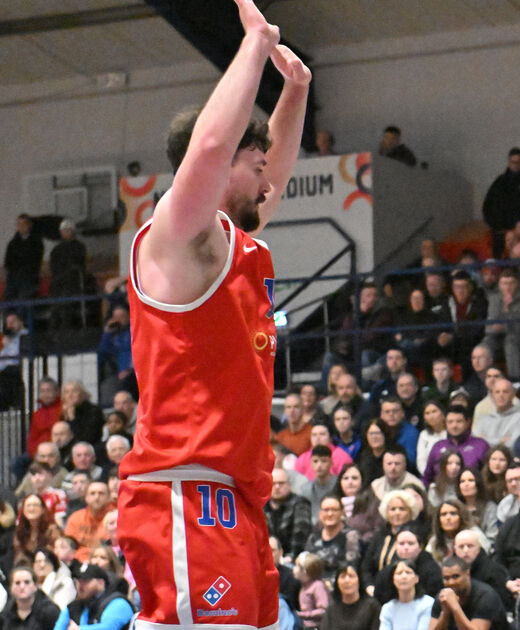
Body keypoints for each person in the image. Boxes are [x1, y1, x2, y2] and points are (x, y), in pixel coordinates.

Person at [114, 2, 309, 627]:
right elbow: (212, 143)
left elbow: (271, 165)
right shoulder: (176, 234)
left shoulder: (234, 244)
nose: (268, 182)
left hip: (236, 498)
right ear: (223, 166)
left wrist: (297, 90)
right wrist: (253, 47)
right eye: (256, 167)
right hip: (183, 490)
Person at [431, 555, 510, 630]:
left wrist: (455, 607)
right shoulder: (443, 597)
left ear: (467, 573)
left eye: (455, 576)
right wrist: (445, 614)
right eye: (446, 578)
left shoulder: (486, 596)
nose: (451, 582)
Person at [319, 564, 380, 630]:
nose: (347, 580)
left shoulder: (372, 607)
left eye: (351, 576)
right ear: (337, 583)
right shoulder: (331, 608)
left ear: (359, 581)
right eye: (343, 577)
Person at [380, 558, 435, 630]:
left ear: (416, 578)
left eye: (408, 572)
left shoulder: (427, 603)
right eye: (399, 573)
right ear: (393, 579)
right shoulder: (388, 608)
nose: (404, 576)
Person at [0, 566, 61, 630]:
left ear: (35, 586)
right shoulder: (5, 614)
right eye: (17, 583)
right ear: (11, 588)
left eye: (27, 582)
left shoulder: (50, 611)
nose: (22, 587)